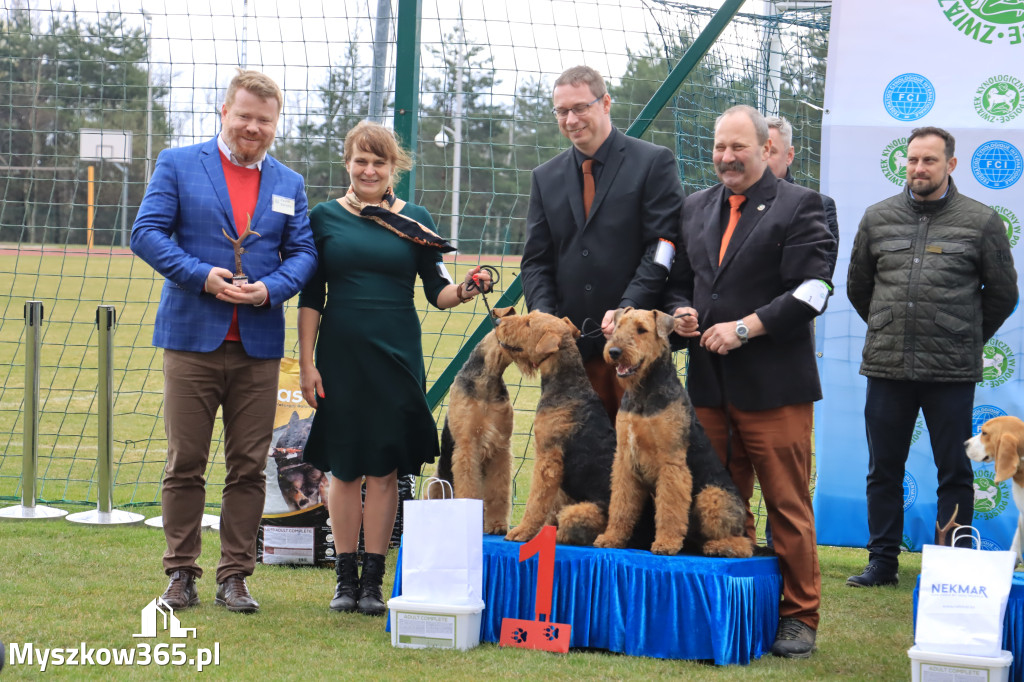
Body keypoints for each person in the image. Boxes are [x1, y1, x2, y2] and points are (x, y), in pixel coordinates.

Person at [131, 69, 318, 614]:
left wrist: (269, 290)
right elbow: (146, 233)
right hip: (192, 338)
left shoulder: (289, 183)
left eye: (264, 120)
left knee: (248, 466)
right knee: (185, 462)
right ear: (224, 112)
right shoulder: (178, 163)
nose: (253, 128)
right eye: (244, 116)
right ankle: (180, 574)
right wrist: (201, 275)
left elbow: (304, 254)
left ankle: (235, 575)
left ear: (276, 124)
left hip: (258, 345)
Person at [296, 120, 491, 617]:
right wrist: (305, 363)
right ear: (347, 163)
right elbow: (311, 297)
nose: (368, 169)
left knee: (383, 469)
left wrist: (468, 287)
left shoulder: (417, 220)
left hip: (397, 354)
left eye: (378, 162)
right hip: (340, 356)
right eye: (360, 160)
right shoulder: (323, 217)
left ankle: (374, 583)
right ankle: (344, 580)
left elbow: (439, 293)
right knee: (344, 468)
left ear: (393, 169)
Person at [663, 104, 833, 658]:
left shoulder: (805, 206)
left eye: (738, 147)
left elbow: (815, 291)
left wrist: (747, 327)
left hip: (775, 387)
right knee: (716, 500)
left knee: (787, 504)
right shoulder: (693, 208)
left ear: (766, 148)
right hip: (708, 387)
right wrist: (680, 313)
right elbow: (678, 282)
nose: (727, 157)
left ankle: (799, 616)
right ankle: (726, 605)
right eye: (719, 147)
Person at [846, 126, 1018, 588]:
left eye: (929, 161)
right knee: (883, 469)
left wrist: (962, 336)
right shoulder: (877, 217)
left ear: (951, 165)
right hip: (887, 368)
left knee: (955, 469)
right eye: (912, 160)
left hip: (950, 371)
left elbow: (1002, 295)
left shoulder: (982, 221)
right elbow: (859, 288)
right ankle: (882, 562)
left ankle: (952, 566)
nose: (918, 169)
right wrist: (889, 329)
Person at [520, 65, 684, 422]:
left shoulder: (653, 162)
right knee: (576, 464)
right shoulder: (544, 177)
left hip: (634, 352)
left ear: (606, 102)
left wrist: (628, 309)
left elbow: (663, 247)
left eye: (580, 107)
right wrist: (548, 320)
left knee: (638, 464)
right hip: (569, 354)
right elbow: (535, 260)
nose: (571, 119)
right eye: (562, 111)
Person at [765, 115, 840, 276]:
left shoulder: (819, 205)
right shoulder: (731, 202)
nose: (763, 159)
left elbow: (818, 279)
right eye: (758, 151)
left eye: (771, 152)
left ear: (789, 155)